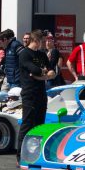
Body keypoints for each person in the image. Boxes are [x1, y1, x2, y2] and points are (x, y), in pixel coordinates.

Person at [16, 30, 54, 160]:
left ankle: (36, 153)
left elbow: (52, 72)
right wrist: (43, 73)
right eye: (42, 41)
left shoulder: (42, 55)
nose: (44, 44)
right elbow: (34, 69)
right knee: (27, 123)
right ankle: (20, 154)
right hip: (29, 93)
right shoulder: (24, 54)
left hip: (41, 93)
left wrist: (41, 76)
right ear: (36, 41)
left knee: (39, 123)